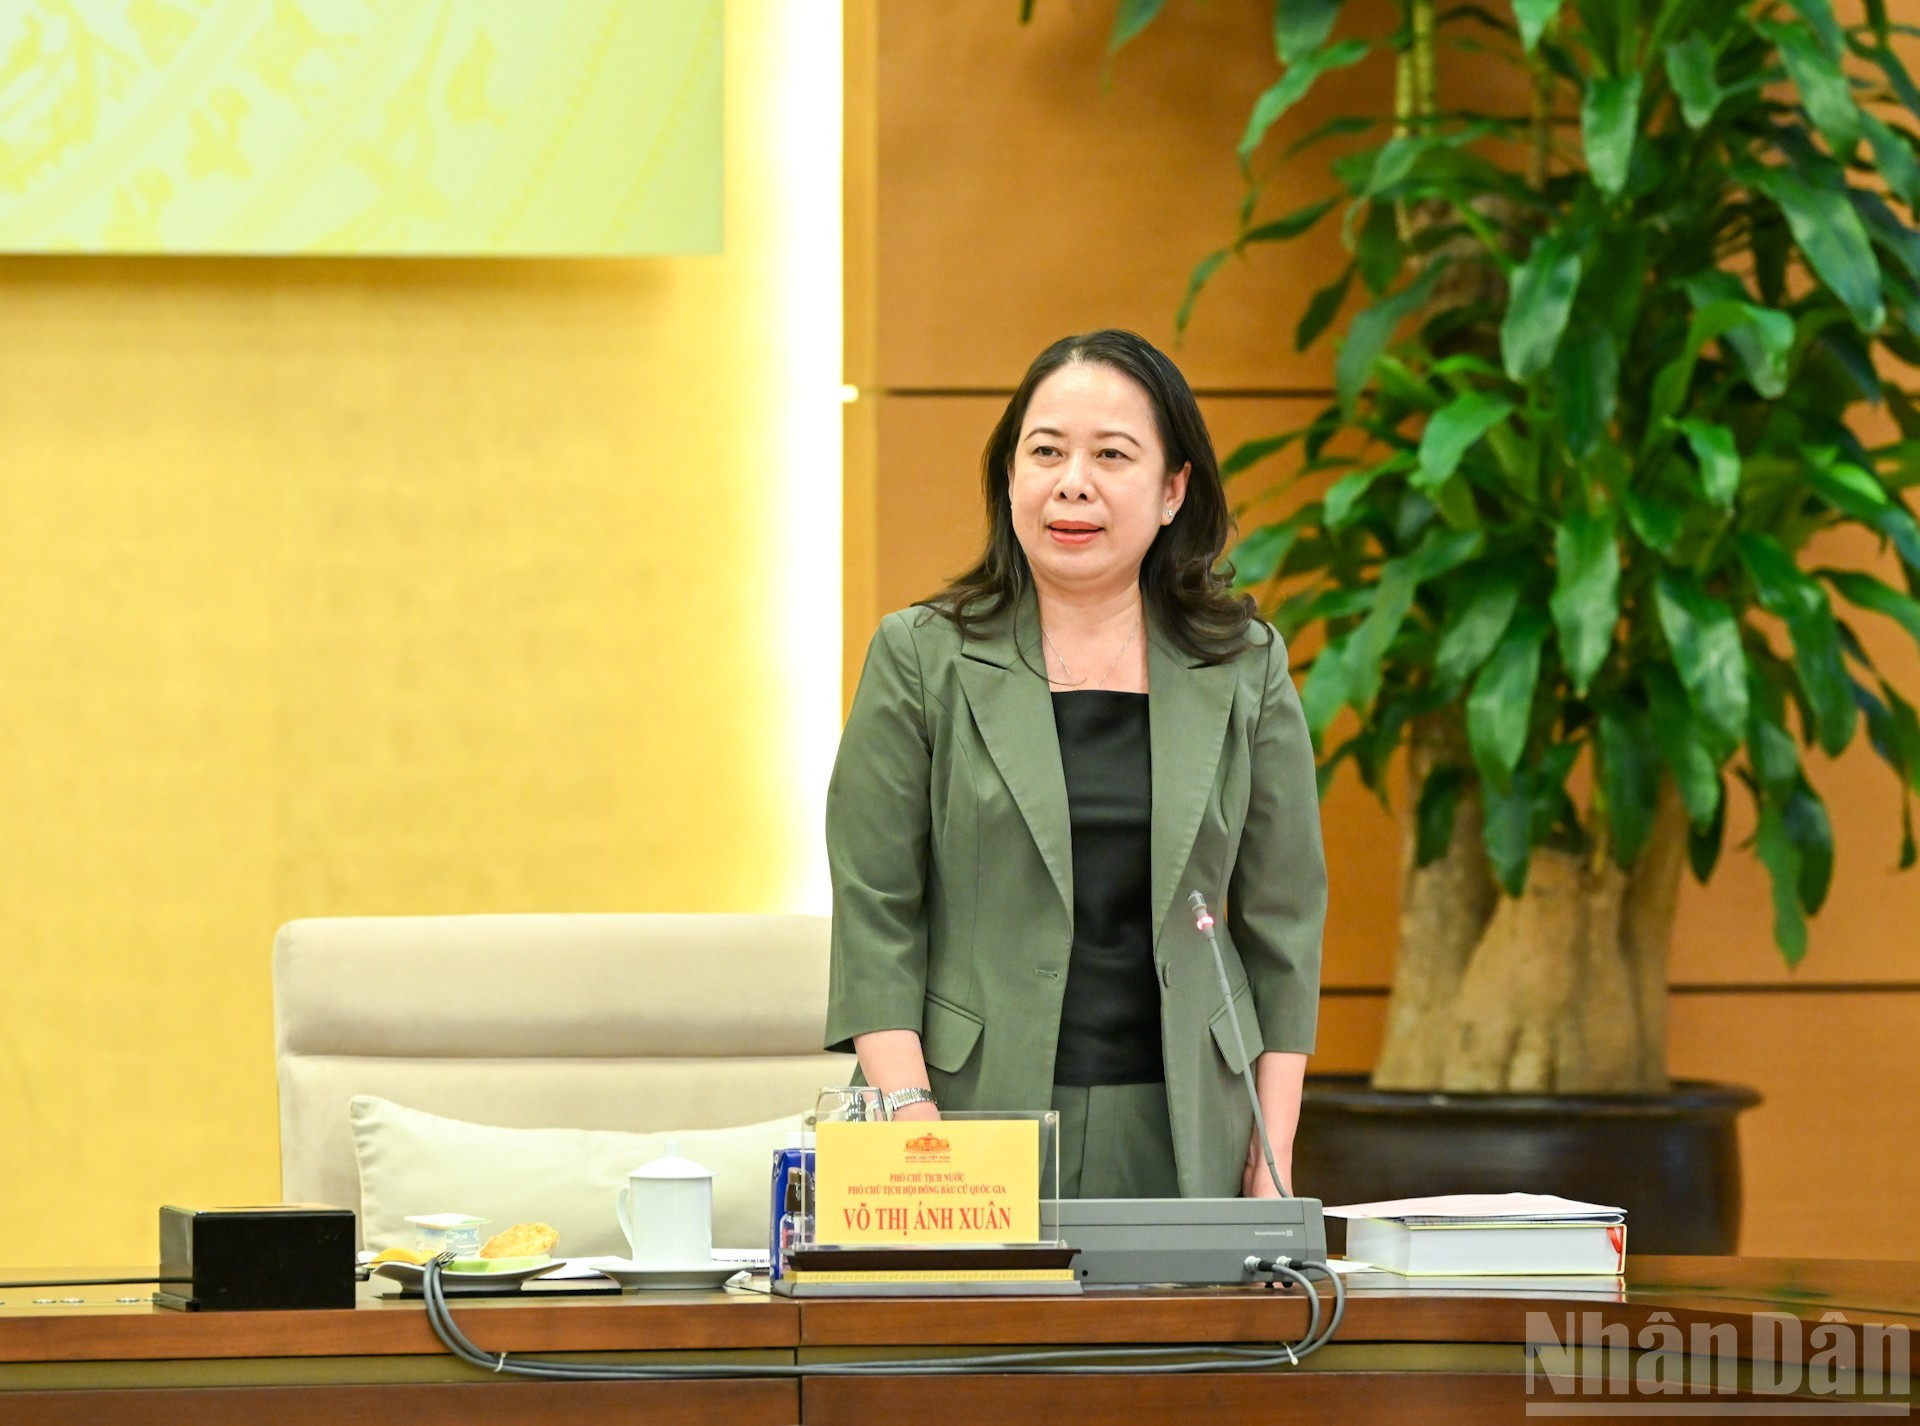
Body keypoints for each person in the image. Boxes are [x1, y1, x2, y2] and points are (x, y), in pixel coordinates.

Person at [824, 329, 1326, 1199]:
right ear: (1010, 477)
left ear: (1174, 491)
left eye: (1111, 455)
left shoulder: (1244, 665)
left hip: (1190, 1122)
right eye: (1046, 451)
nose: (1073, 482)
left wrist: (1269, 1152)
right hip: (963, 1113)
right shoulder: (922, 657)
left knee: (1185, 1340)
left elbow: (1285, 926)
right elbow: (876, 910)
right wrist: (910, 1120)